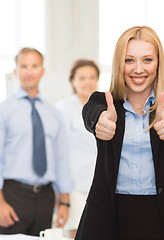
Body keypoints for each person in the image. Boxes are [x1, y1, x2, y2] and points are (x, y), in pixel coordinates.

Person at [75, 26, 164, 240]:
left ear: (158, 63)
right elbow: (91, 112)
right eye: (129, 60)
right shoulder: (103, 103)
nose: (138, 69)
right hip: (111, 214)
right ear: (119, 64)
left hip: (163, 215)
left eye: (147, 60)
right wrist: (99, 121)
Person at [0, 48, 72, 236]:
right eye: (24, 66)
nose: (29, 72)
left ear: (42, 71)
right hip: (12, 196)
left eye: (34, 66)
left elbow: (61, 158)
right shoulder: (4, 111)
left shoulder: (53, 114)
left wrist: (64, 201)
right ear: (15, 71)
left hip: (46, 198)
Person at [56, 59, 100, 229]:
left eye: (92, 77)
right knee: (76, 230)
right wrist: (62, 193)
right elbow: (60, 151)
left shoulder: (105, 107)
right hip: (75, 185)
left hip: (100, 183)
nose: (87, 82)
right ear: (73, 81)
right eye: (82, 78)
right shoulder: (64, 109)